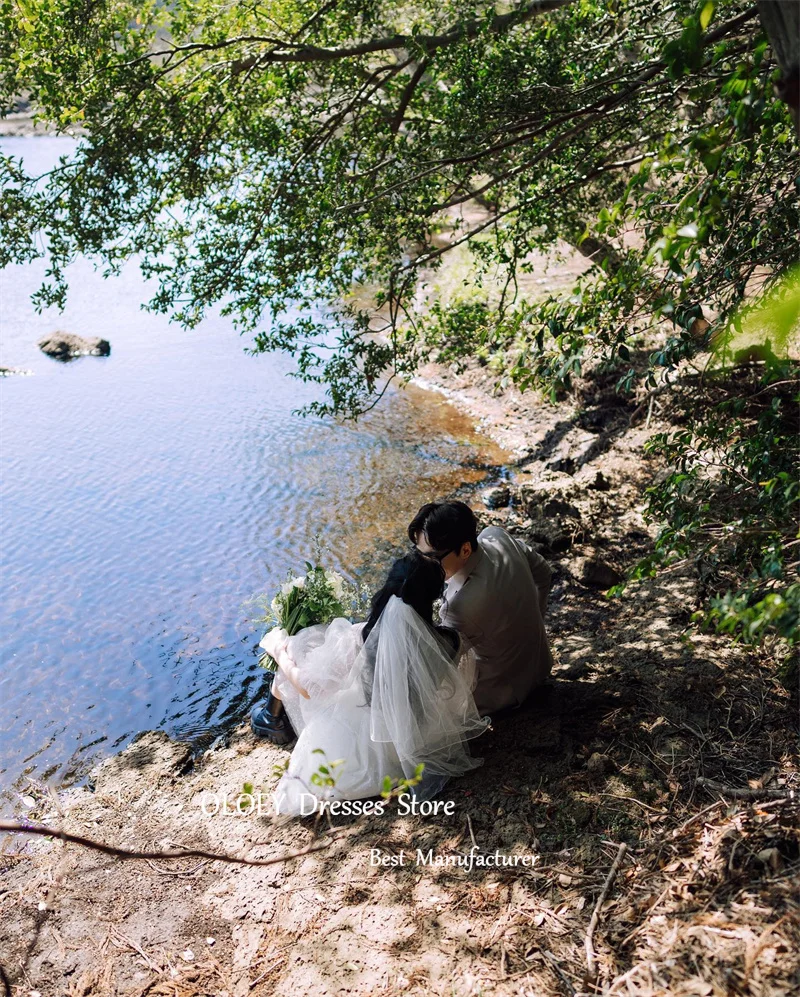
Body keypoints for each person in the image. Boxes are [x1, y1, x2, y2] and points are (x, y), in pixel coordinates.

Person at [258, 552, 489, 816]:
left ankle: (271, 717)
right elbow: (466, 678)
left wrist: (278, 651)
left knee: (298, 648)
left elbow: (308, 689)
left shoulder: (361, 638)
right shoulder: (448, 642)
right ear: (429, 600)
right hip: (419, 738)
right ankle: (271, 716)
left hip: (365, 748)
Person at [409, 501, 554, 715]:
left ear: (465, 549)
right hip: (540, 661)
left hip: (503, 691)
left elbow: (442, 669)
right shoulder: (497, 536)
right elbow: (544, 573)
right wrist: (536, 622)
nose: (422, 564)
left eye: (432, 557)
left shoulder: (460, 607)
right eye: (417, 552)